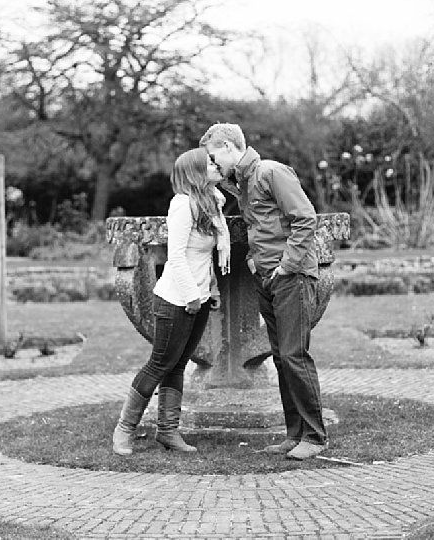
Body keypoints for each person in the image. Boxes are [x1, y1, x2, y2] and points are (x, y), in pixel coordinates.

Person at [200, 123, 328, 460]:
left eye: (214, 157)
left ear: (228, 147)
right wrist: (257, 264)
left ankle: (315, 437)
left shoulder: (271, 172)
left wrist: (286, 266)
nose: (213, 165)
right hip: (268, 277)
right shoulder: (242, 181)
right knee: (282, 358)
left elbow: (305, 218)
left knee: (294, 355)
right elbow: (260, 225)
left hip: (292, 277)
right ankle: (294, 435)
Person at [112, 147, 230, 456]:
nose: (217, 166)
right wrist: (192, 296)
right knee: (160, 363)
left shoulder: (214, 203)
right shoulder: (183, 205)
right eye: (210, 163)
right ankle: (125, 428)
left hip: (200, 298)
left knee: (177, 365)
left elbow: (205, 257)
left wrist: (211, 291)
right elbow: (175, 256)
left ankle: (168, 431)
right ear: (195, 172)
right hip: (176, 299)